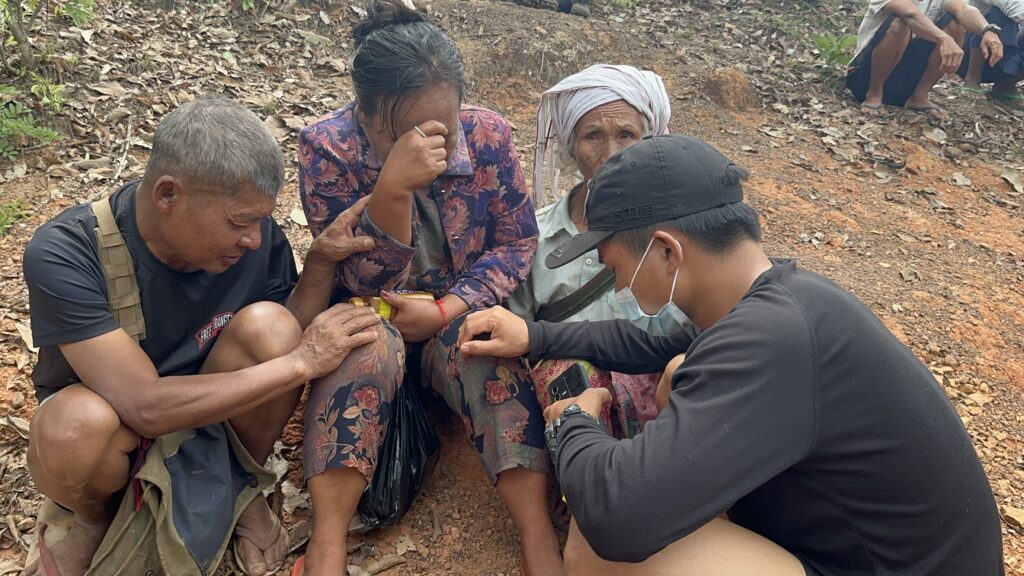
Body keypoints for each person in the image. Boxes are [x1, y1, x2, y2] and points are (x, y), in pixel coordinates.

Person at [458, 134, 1004, 575]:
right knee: (677, 373)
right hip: (862, 549)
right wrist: (536, 337)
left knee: (596, 553)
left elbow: (615, 518)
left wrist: (574, 422)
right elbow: (646, 345)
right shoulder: (782, 301)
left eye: (615, 264)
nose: (617, 284)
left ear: (667, 251)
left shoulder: (771, 341)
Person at [21, 96, 385, 576]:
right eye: (239, 222)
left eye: (259, 220)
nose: (254, 238)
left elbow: (284, 329)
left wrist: (318, 264)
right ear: (168, 195)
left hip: (212, 417)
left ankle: (240, 484)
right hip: (119, 424)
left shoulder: (253, 238)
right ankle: (90, 516)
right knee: (75, 425)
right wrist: (303, 362)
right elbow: (144, 406)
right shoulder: (66, 252)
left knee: (274, 328)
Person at [295, 2, 559, 574]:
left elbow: (517, 243)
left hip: (452, 312)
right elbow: (356, 276)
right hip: (375, 313)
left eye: (444, 123)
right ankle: (328, 540)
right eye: (403, 131)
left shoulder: (488, 135)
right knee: (362, 344)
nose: (431, 142)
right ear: (363, 111)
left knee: (484, 347)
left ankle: (536, 531)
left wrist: (446, 309)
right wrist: (390, 190)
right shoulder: (327, 149)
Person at [509, 64, 673, 441]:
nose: (611, 153)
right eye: (593, 136)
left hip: (653, 398)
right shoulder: (535, 232)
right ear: (571, 145)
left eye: (626, 135)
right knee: (571, 372)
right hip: (563, 396)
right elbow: (516, 333)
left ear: (649, 141)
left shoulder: (672, 235)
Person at [846, 0, 1005, 121]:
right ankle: (874, 93)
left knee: (955, 23)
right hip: (864, 77)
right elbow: (910, 15)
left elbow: (964, 9)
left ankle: (919, 96)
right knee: (899, 22)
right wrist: (943, 38)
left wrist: (987, 30)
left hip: (905, 78)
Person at [958, 0, 1024, 104]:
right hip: (965, 56)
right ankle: (972, 79)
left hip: (1005, 62)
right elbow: (1012, 6)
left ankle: (1005, 85)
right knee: (999, 14)